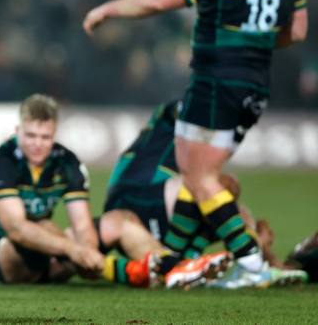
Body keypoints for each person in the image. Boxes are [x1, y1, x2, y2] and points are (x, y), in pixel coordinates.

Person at [82, 0, 309, 288]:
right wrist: (253, 41)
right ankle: (177, 261)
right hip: (255, 88)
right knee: (197, 172)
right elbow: (297, 31)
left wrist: (109, 8)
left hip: (215, 81)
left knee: (202, 177)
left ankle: (252, 265)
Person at [0, 94, 185, 288]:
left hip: (50, 253)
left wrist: (87, 251)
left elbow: (82, 225)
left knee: (121, 220)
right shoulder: (0, 163)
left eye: (45, 137)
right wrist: (74, 250)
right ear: (18, 131)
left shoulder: (67, 162)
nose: (38, 144)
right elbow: (16, 229)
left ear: (54, 133)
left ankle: (176, 272)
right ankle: (127, 272)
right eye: (30, 136)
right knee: (39, 228)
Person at [101, 101, 308, 288]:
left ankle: (267, 266)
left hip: (157, 211)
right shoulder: (177, 116)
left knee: (234, 212)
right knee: (223, 186)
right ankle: (185, 260)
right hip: (134, 202)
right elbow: (187, 109)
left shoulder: (186, 138)